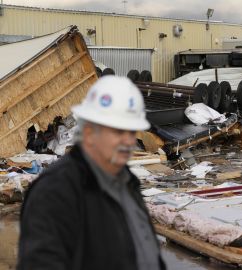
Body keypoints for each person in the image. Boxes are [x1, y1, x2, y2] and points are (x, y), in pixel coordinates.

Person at [17, 76, 166, 270]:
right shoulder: (55, 192)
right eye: (117, 131)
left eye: (131, 132)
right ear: (88, 132)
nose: (128, 141)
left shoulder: (127, 183)